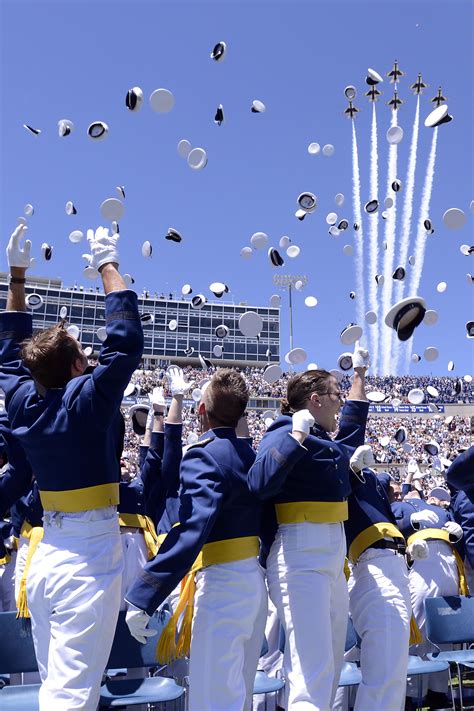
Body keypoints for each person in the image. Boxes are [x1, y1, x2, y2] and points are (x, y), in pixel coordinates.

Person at [0, 223, 143, 710]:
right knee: (71, 698)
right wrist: (107, 266)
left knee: (54, 690)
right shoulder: (86, 400)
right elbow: (125, 342)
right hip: (88, 556)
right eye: (85, 354)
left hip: (46, 555)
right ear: (78, 368)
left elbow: (8, 362)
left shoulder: (22, 402)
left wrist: (17, 279)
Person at [125, 369, 267, 711]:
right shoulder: (252, 456)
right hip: (253, 585)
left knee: (212, 699)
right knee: (239, 697)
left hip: (223, 586)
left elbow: (191, 532)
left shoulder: (204, 455)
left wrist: (143, 595)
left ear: (201, 412)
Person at [248, 345, 370, 710]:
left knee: (329, 666)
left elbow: (352, 430)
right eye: (336, 395)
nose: (340, 404)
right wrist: (293, 438)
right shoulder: (284, 429)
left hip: (328, 554)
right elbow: (258, 482)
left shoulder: (324, 440)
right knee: (310, 669)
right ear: (315, 400)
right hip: (299, 552)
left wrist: (361, 375)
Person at [334, 453, 413, 711]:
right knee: (385, 676)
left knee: (392, 673)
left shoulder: (372, 480)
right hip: (372, 564)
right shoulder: (341, 466)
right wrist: (349, 468)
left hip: (392, 565)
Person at [392, 488, 465, 708]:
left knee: (447, 626)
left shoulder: (441, 510)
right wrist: (410, 521)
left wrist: (457, 534)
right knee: (419, 623)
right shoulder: (399, 506)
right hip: (420, 558)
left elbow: (458, 536)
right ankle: (412, 690)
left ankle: (439, 689)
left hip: (448, 560)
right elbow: (388, 526)